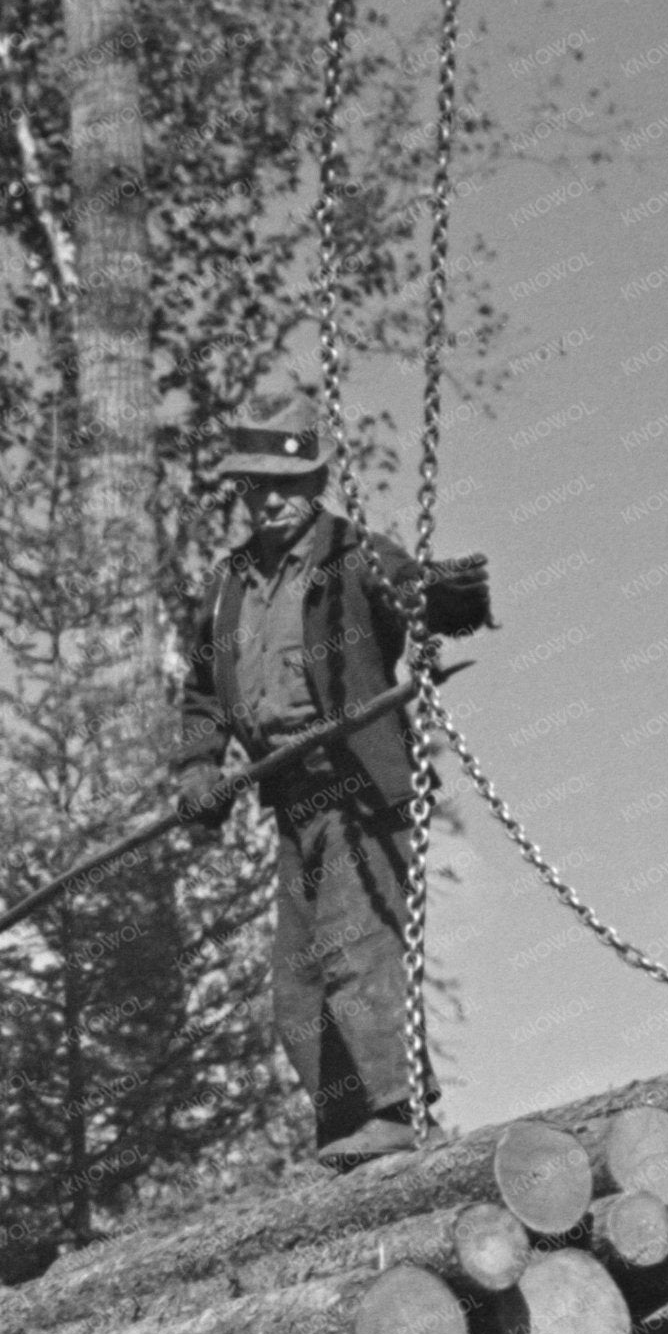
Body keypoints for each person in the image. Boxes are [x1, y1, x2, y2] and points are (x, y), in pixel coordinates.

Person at [173, 388, 494, 1168]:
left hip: (356, 782)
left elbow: (421, 606)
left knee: (355, 945)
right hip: (289, 799)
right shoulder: (225, 587)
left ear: (315, 484)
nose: (275, 500)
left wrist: (443, 600)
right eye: (260, 487)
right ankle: (349, 1128)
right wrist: (195, 769)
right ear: (241, 493)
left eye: (290, 484)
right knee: (295, 986)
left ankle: (397, 1112)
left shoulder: (356, 557)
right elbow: (204, 696)